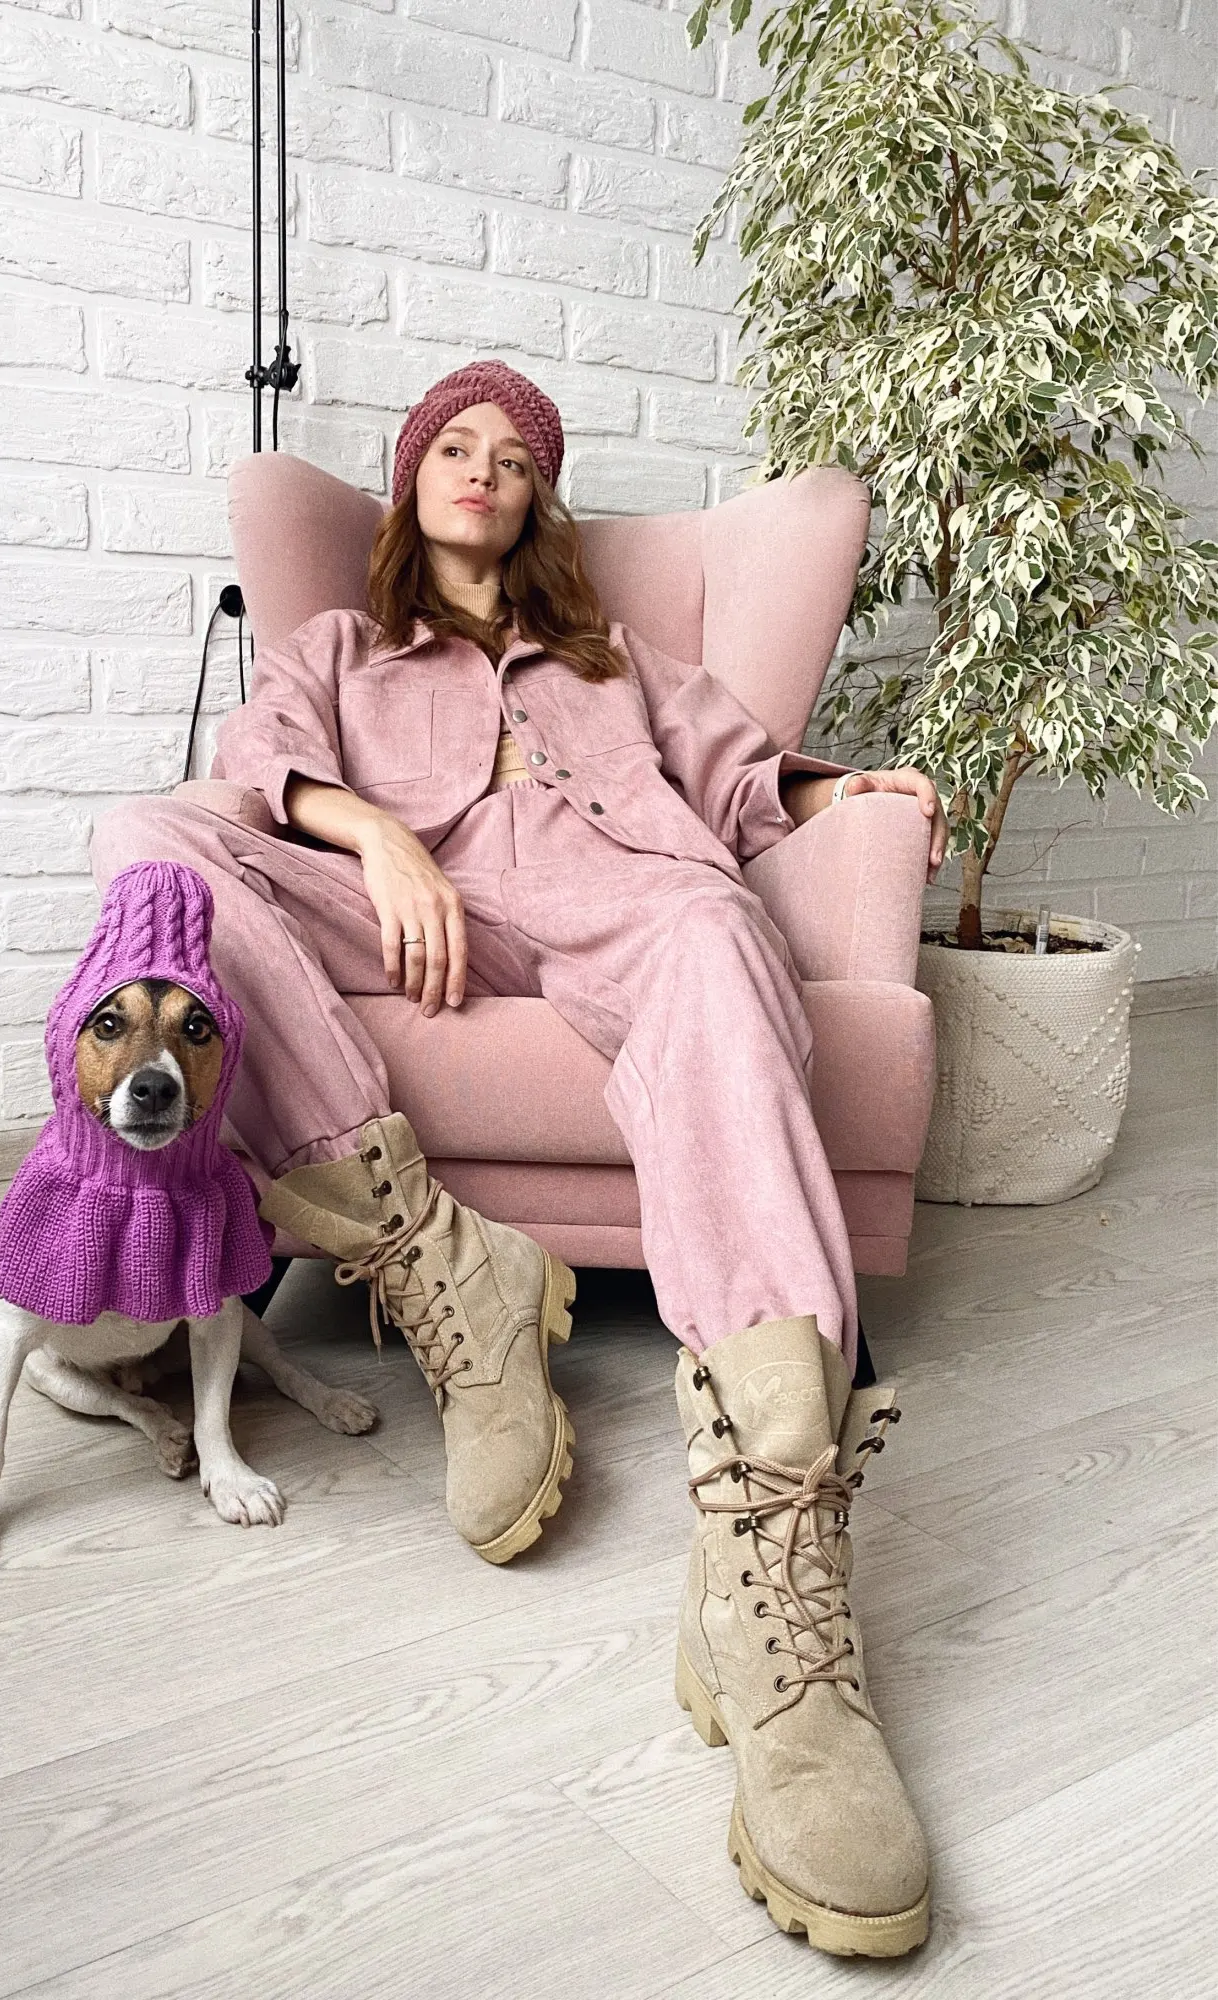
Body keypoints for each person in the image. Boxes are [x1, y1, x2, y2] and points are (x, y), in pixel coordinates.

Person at [92, 360, 950, 1957]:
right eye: (452, 446)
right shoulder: (337, 648)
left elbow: (743, 775)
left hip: (619, 896)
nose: (480, 468)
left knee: (712, 937)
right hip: (408, 914)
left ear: (538, 499)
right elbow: (251, 765)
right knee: (150, 843)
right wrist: (380, 835)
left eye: (512, 455)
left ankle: (769, 1555)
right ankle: (438, 1260)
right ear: (412, 480)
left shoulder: (614, 657)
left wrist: (848, 788)